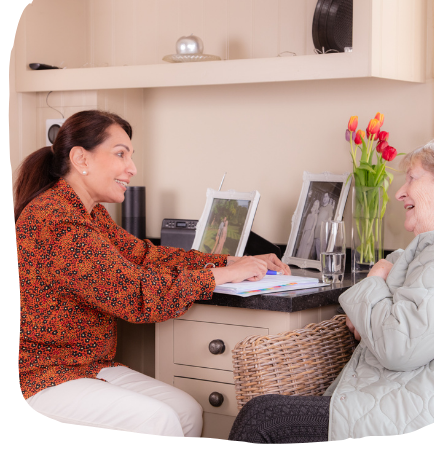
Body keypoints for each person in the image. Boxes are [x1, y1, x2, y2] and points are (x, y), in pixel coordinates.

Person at [16, 110, 291, 437]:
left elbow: (145, 256)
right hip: (42, 376)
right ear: (80, 158)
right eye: (120, 154)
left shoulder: (89, 214)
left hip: (85, 367)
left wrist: (228, 261)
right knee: (158, 420)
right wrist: (221, 277)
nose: (131, 168)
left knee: (187, 411)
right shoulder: (59, 222)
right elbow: (137, 295)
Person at [228, 138, 434, 443]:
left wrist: (375, 280)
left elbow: (397, 345)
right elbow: (377, 317)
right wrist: (373, 309)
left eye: (412, 178)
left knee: (262, 416)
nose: (400, 192)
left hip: (416, 407)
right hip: (404, 393)